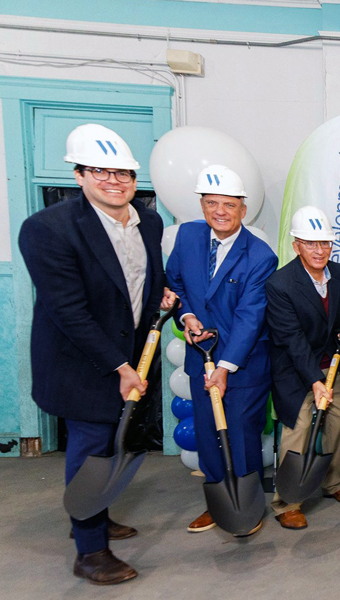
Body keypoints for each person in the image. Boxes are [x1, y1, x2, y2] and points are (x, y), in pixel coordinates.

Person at [19, 124, 174, 584]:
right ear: (79, 174)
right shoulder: (47, 229)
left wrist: (160, 301)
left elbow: (146, 279)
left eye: (123, 173)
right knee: (90, 448)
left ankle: (95, 513)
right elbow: (69, 311)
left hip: (131, 354)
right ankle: (89, 549)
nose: (114, 181)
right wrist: (120, 367)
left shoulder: (149, 220)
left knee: (115, 443)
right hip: (82, 362)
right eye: (100, 171)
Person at [165, 164, 278, 536]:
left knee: (241, 434)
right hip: (201, 358)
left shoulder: (260, 256)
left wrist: (226, 367)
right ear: (201, 205)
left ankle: (246, 505)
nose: (220, 212)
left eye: (229, 205)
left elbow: (250, 317)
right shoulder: (188, 238)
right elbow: (175, 283)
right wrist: (188, 315)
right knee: (208, 430)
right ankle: (216, 504)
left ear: (243, 209)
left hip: (243, 365)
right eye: (211, 203)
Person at [266, 206, 340, 530]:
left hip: (333, 365)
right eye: (310, 243)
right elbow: (291, 339)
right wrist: (315, 381)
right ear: (296, 245)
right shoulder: (281, 284)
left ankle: (332, 483)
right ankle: (286, 502)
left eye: (325, 243)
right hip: (295, 371)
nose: (319, 250)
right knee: (300, 428)